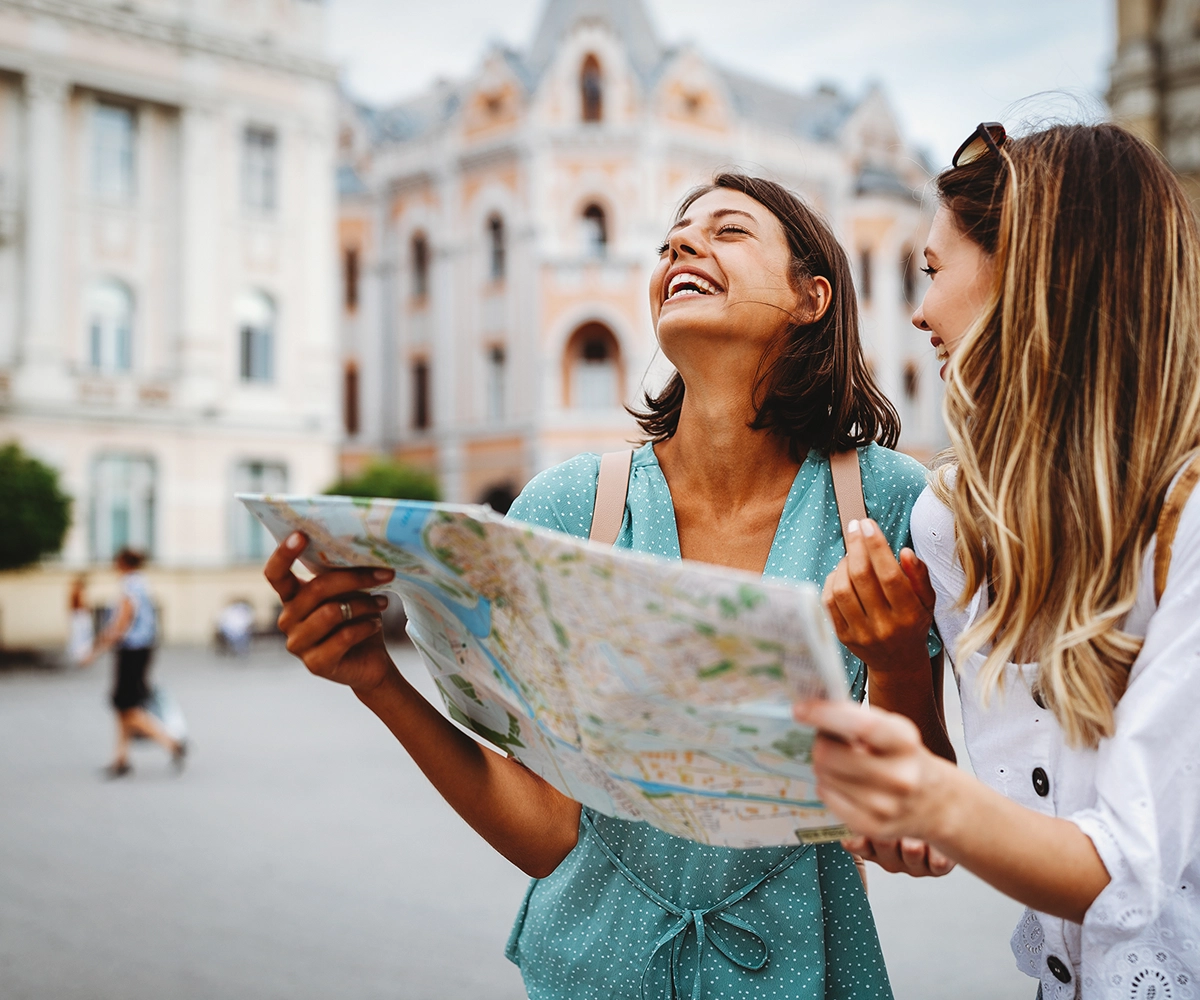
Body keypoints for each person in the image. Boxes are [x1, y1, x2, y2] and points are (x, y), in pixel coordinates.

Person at [264, 173, 952, 999]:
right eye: (671, 240)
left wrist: (902, 663)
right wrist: (378, 681)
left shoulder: (889, 502)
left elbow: (921, 823)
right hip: (588, 975)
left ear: (813, 297)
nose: (680, 247)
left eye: (728, 232)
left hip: (805, 977)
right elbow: (549, 834)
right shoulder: (566, 507)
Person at [797, 123, 1200, 998]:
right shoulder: (952, 521)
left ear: (1033, 271)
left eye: (934, 272)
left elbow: (1124, 871)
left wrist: (914, 792)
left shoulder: (1191, 518)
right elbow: (936, 836)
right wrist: (897, 664)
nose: (915, 311)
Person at [86, 547, 186, 777]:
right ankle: (121, 758)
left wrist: (97, 649)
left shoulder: (129, 585)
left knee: (127, 706)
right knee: (123, 706)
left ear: (122, 563)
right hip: (142, 650)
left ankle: (172, 743)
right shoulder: (142, 582)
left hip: (132, 651)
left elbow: (122, 622)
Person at [66, 573, 94, 666]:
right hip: (81, 615)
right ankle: (82, 656)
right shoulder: (79, 591)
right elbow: (83, 604)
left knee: (78, 636)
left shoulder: (73, 592)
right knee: (83, 636)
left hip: (76, 615)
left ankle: (80, 655)